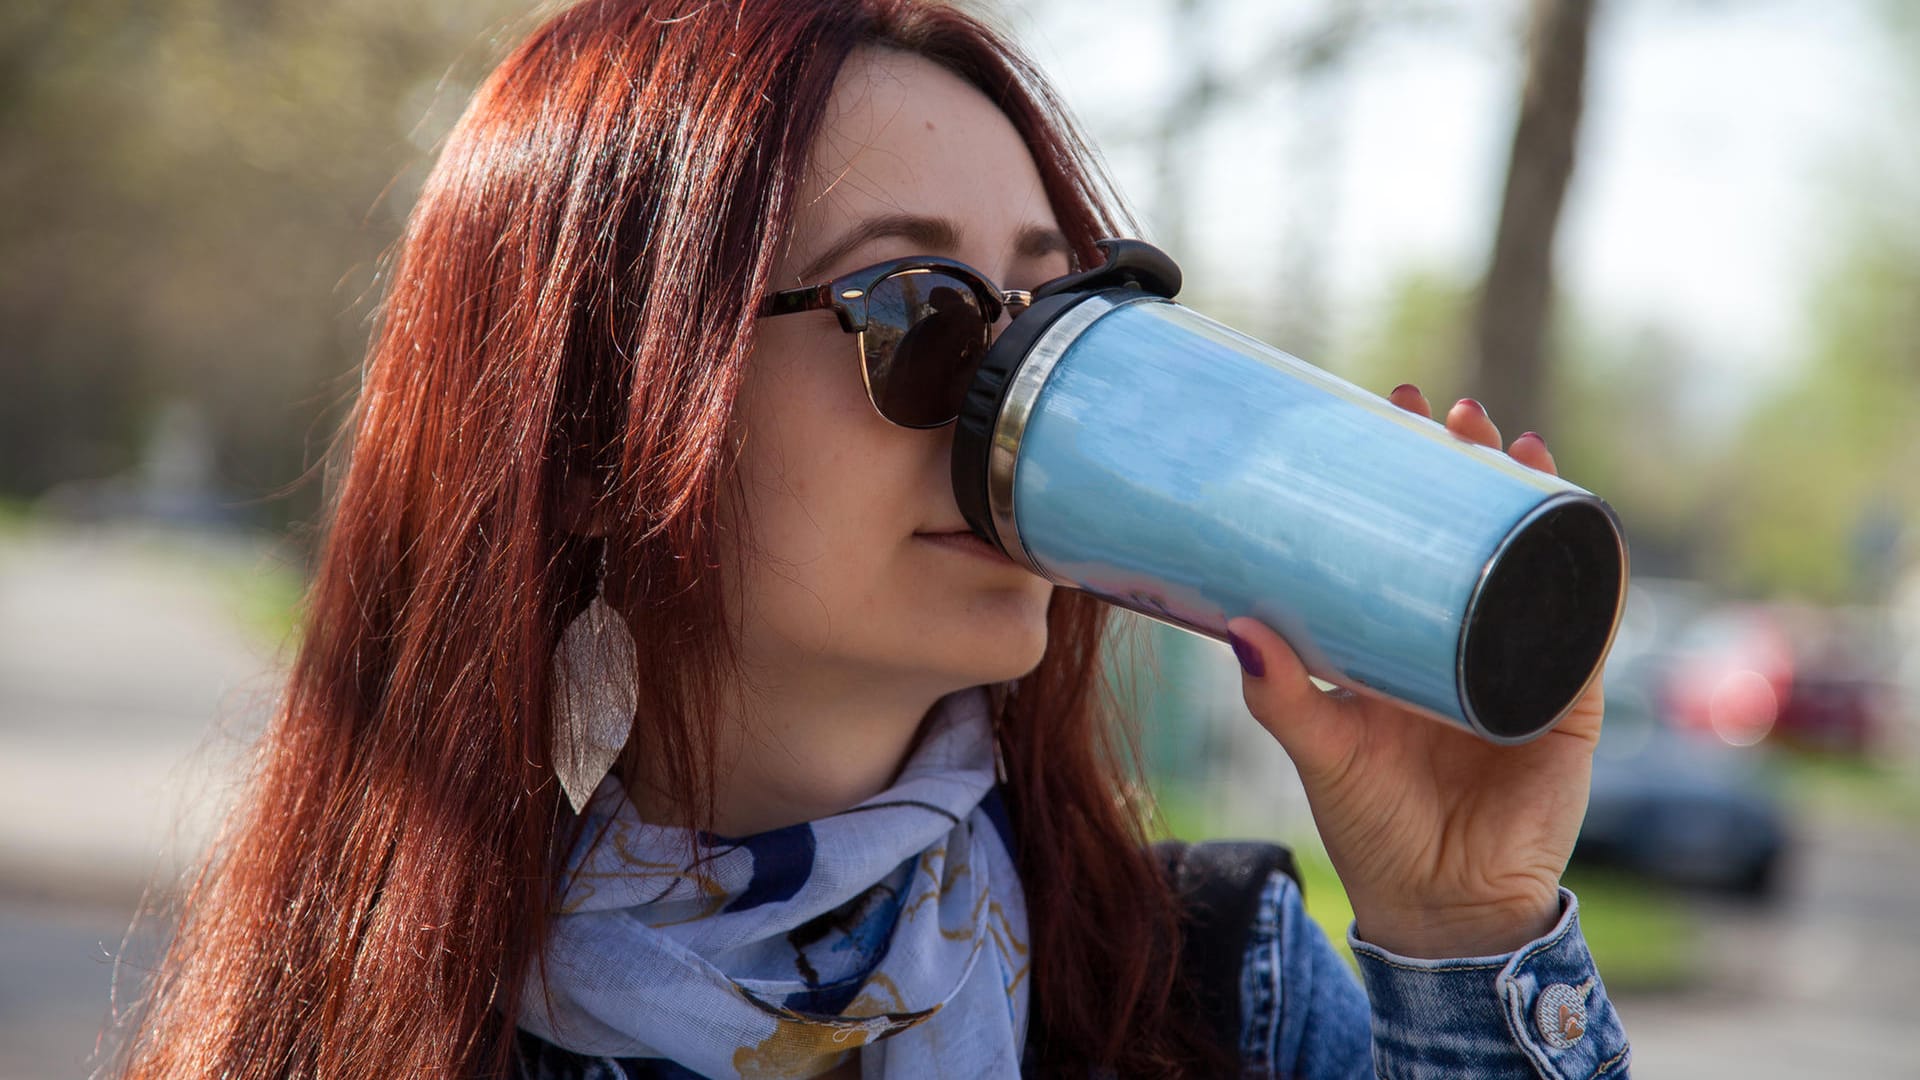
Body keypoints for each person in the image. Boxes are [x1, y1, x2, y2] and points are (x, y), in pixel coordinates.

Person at [107, 1, 1631, 1077]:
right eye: (919, 314)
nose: (1019, 403)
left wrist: (1463, 928)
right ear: (590, 424)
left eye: (1064, 314)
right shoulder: (359, 1015)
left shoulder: (1217, 996)